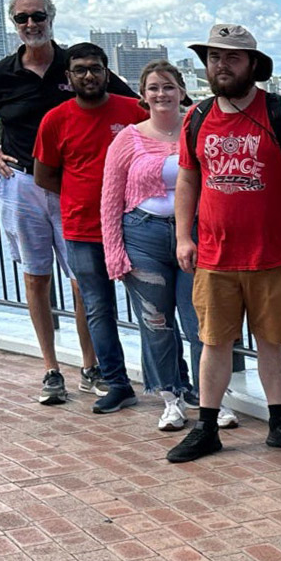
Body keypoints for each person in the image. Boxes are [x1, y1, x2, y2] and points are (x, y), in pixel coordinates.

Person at [0, 0, 134, 404]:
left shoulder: (76, 64)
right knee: (36, 278)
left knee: (81, 281)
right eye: (22, 18)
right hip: (21, 183)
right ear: (13, 23)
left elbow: (132, 102)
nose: (30, 24)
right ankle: (51, 369)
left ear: (51, 17)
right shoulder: (3, 73)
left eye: (38, 16)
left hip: (70, 187)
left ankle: (91, 368)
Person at [165, 24, 281, 463]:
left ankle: (279, 421)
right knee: (214, 342)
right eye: (214, 57)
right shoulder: (196, 118)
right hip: (215, 254)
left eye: (232, 57)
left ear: (253, 64)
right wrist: (182, 236)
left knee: (272, 340)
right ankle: (207, 425)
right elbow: (188, 179)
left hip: (271, 254)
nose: (221, 66)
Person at [100, 60, 237, 433]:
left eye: (169, 87)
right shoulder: (128, 138)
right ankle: (170, 399)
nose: (162, 94)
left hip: (194, 234)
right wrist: (115, 253)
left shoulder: (198, 130)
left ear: (182, 91)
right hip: (143, 235)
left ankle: (211, 399)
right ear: (143, 96)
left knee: (201, 325)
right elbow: (110, 200)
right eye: (153, 88)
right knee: (156, 323)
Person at [32, 42, 148, 414]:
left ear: (106, 72)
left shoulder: (133, 111)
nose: (88, 75)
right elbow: (44, 175)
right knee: (98, 308)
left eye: (95, 68)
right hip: (82, 230)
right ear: (69, 77)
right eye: (79, 69)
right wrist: (81, 196)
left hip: (134, 225)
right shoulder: (55, 120)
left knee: (152, 307)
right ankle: (116, 383)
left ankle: (169, 383)